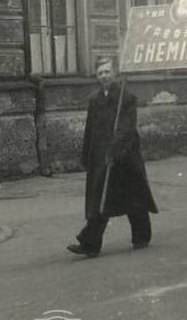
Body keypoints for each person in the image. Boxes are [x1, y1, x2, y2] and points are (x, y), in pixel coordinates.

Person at [67, 57, 158, 257]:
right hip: (101, 158)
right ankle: (90, 243)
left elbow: (127, 129)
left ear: (115, 74)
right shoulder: (95, 99)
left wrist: (115, 150)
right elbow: (90, 130)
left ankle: (142, 236)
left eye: (107, 72)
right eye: (100, 73)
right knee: (101, 199)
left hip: (124, 157)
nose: (104, 76)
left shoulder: (126, 98)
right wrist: (87, 156)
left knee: (133, 199)